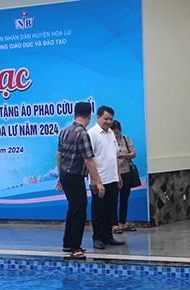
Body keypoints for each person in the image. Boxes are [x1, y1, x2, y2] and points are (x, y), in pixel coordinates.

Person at [57, 101, 104, 260]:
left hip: (65, 174)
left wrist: (60, 175)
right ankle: (75, 248)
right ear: (89, 116)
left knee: (73, 208)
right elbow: (89, 160)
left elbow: (59, 155)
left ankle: (68, 242)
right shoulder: (82, 134)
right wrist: (97, 181)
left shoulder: (65, 131)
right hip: (75, 176)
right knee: (79, 210)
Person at [87, 105, 125, 250]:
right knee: (99, 211)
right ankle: (98, 238)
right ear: (98, 117)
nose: (108, 121)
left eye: (111, 119)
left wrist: (118, 175)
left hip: (112, 178)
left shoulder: (110, 133)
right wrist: (96, 181)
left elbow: (114, 155)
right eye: (106, 118)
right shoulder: (92, 134)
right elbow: (89, 159)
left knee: (110, 209)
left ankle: (108, 236)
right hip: (100, 180)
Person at [111, 119, 137, 234]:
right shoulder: (108, 141)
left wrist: (125, 155)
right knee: (113, 199)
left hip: (126, 172)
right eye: (114, 133)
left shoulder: (126, 139)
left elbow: (133, 153)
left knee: (124, 198)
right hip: (113, 174)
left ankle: (122, 222)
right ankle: (114, 224)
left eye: (118, 132)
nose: (116, 135)